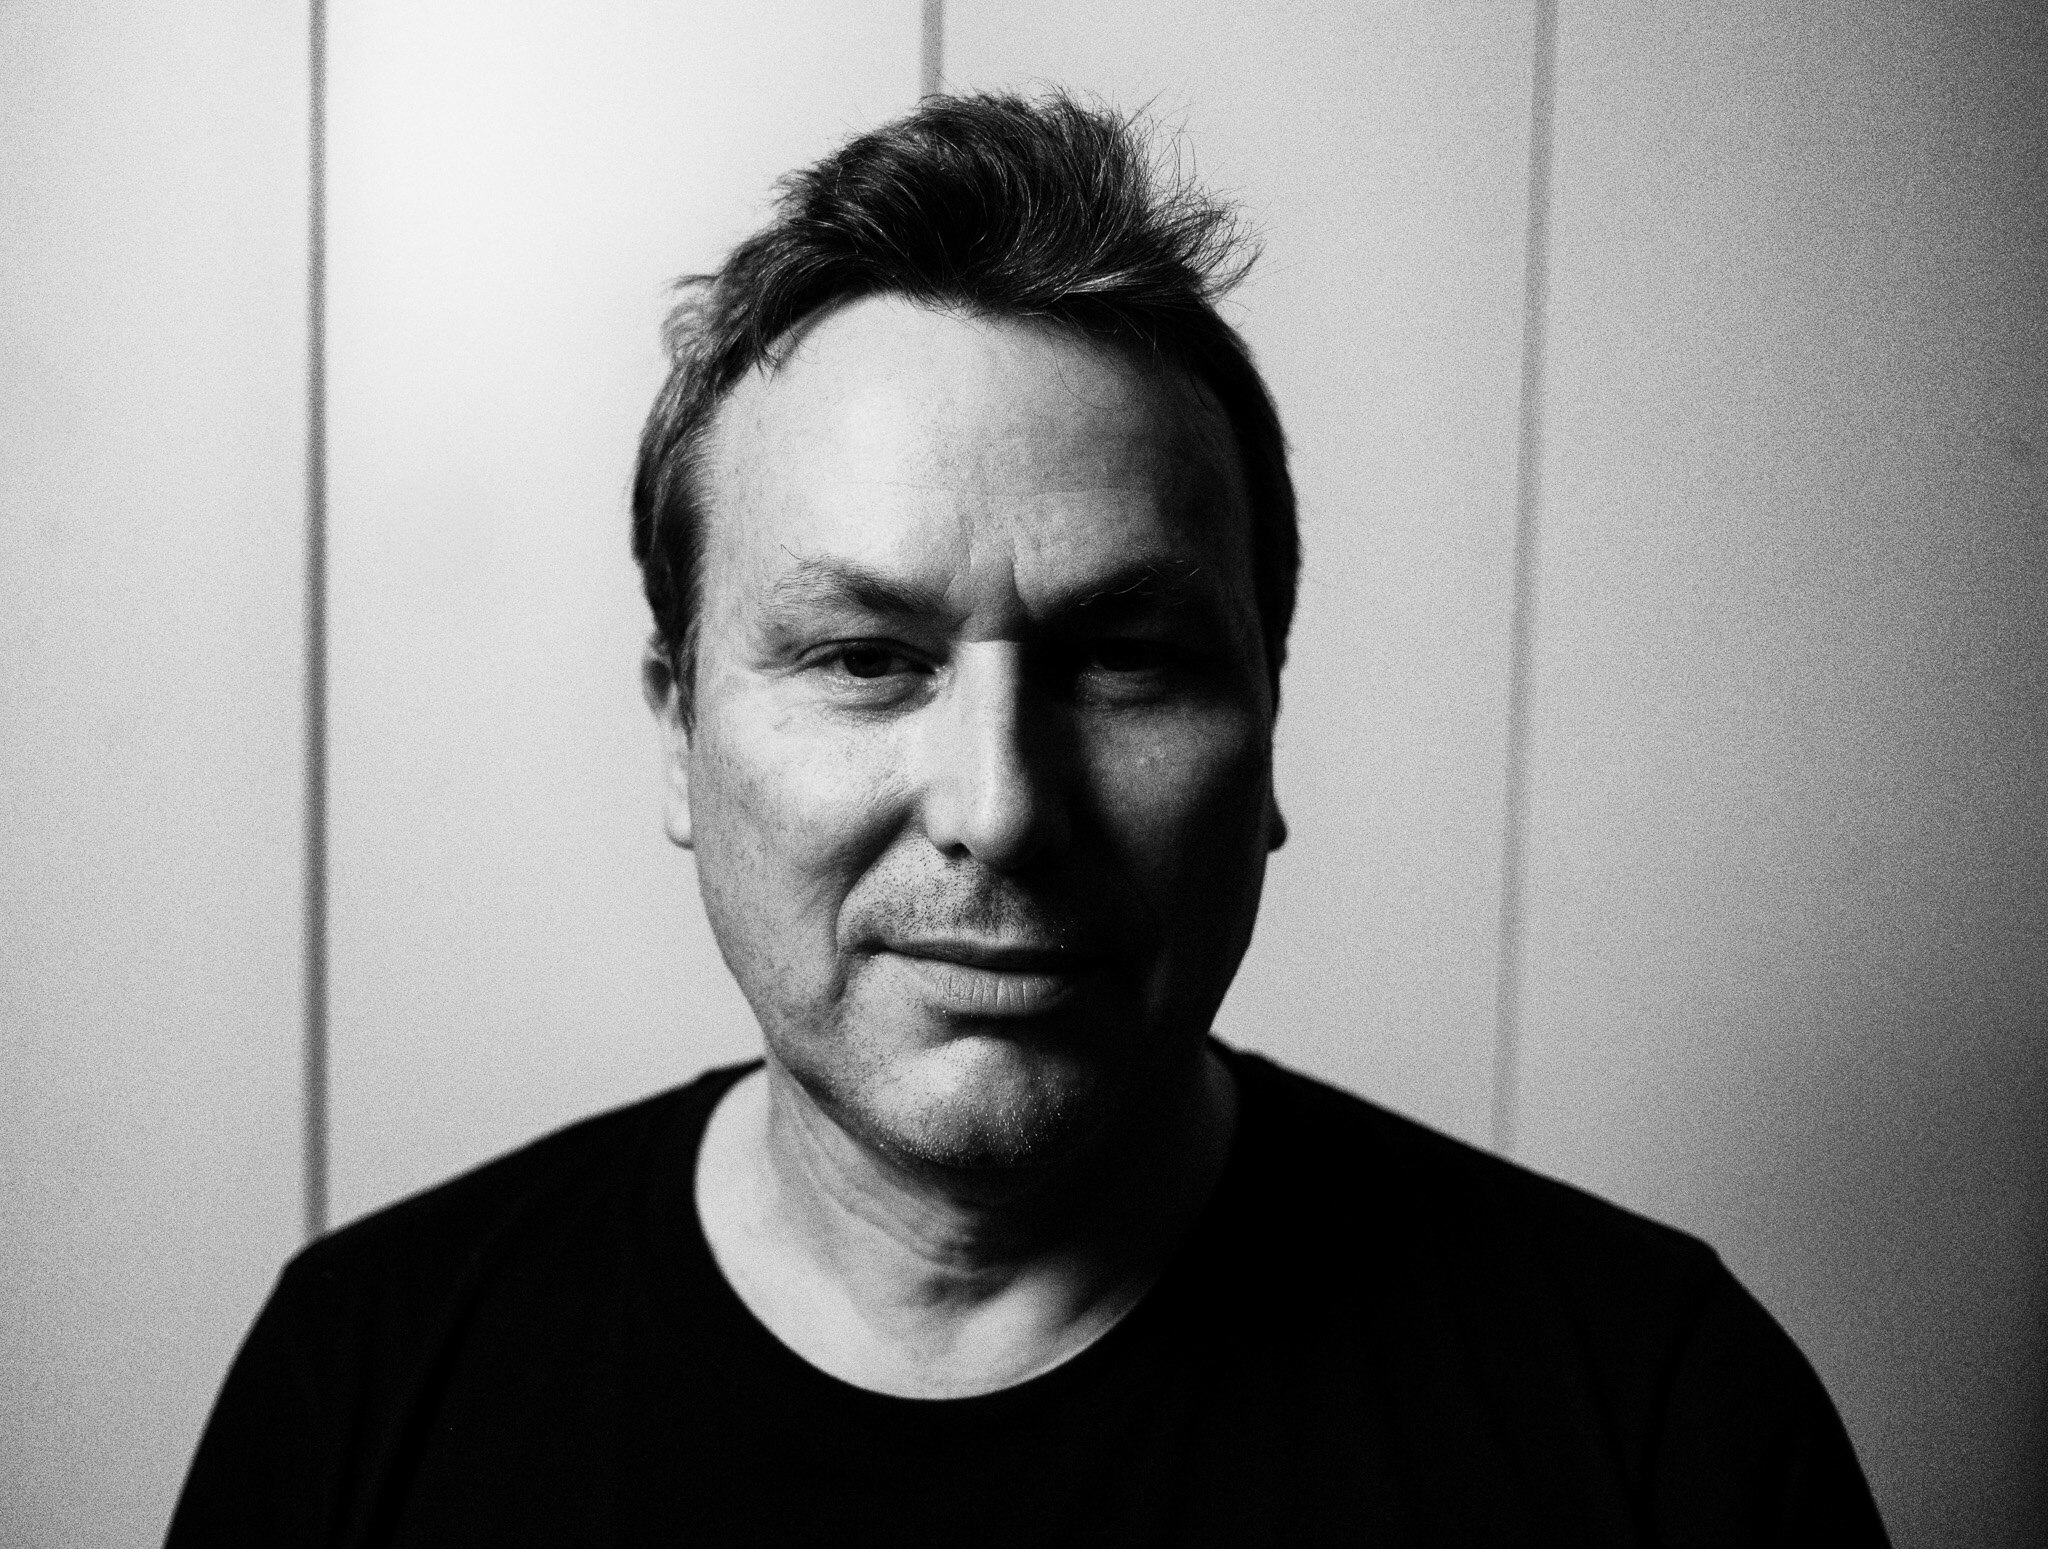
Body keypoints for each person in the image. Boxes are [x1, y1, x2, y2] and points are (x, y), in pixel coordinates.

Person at [166, 92, 1889, 1546]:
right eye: (865, 656)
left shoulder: (1662, 1427)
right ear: (680, 735)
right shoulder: (363, 1393)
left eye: (1125, 660)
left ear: (1270, 727)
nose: (999, 806)